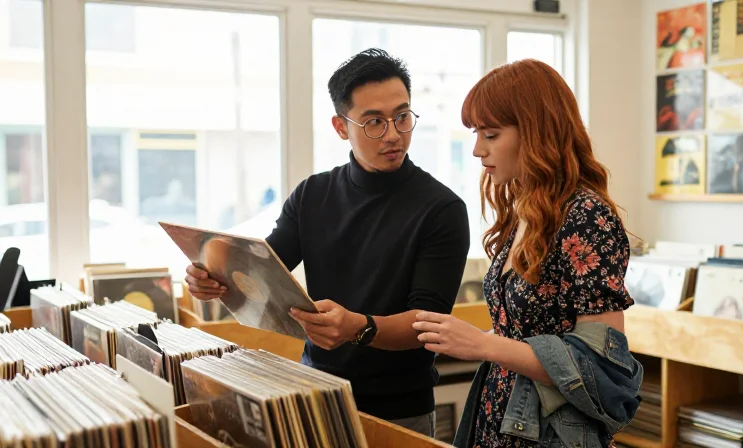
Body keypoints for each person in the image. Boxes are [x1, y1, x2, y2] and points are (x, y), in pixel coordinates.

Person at [184, 48, 471, 438]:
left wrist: (358, 327)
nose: (393, 134)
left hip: (399, 409)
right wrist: (211, 279)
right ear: (341, 127)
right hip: (314, 393)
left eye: (402, 117)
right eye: (373, 122)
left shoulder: (441, 209)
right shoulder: (312, 194)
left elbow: (426, 324)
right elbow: (263, 268)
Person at [412, 59, 642, 447]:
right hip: (502, 417)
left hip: (550, 432)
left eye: (490, 134)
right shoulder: (525, 211)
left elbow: (600, 367)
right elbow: (527, 332)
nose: (476, 150)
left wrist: (483, 344)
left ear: (536, 132)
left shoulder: (585, 216)